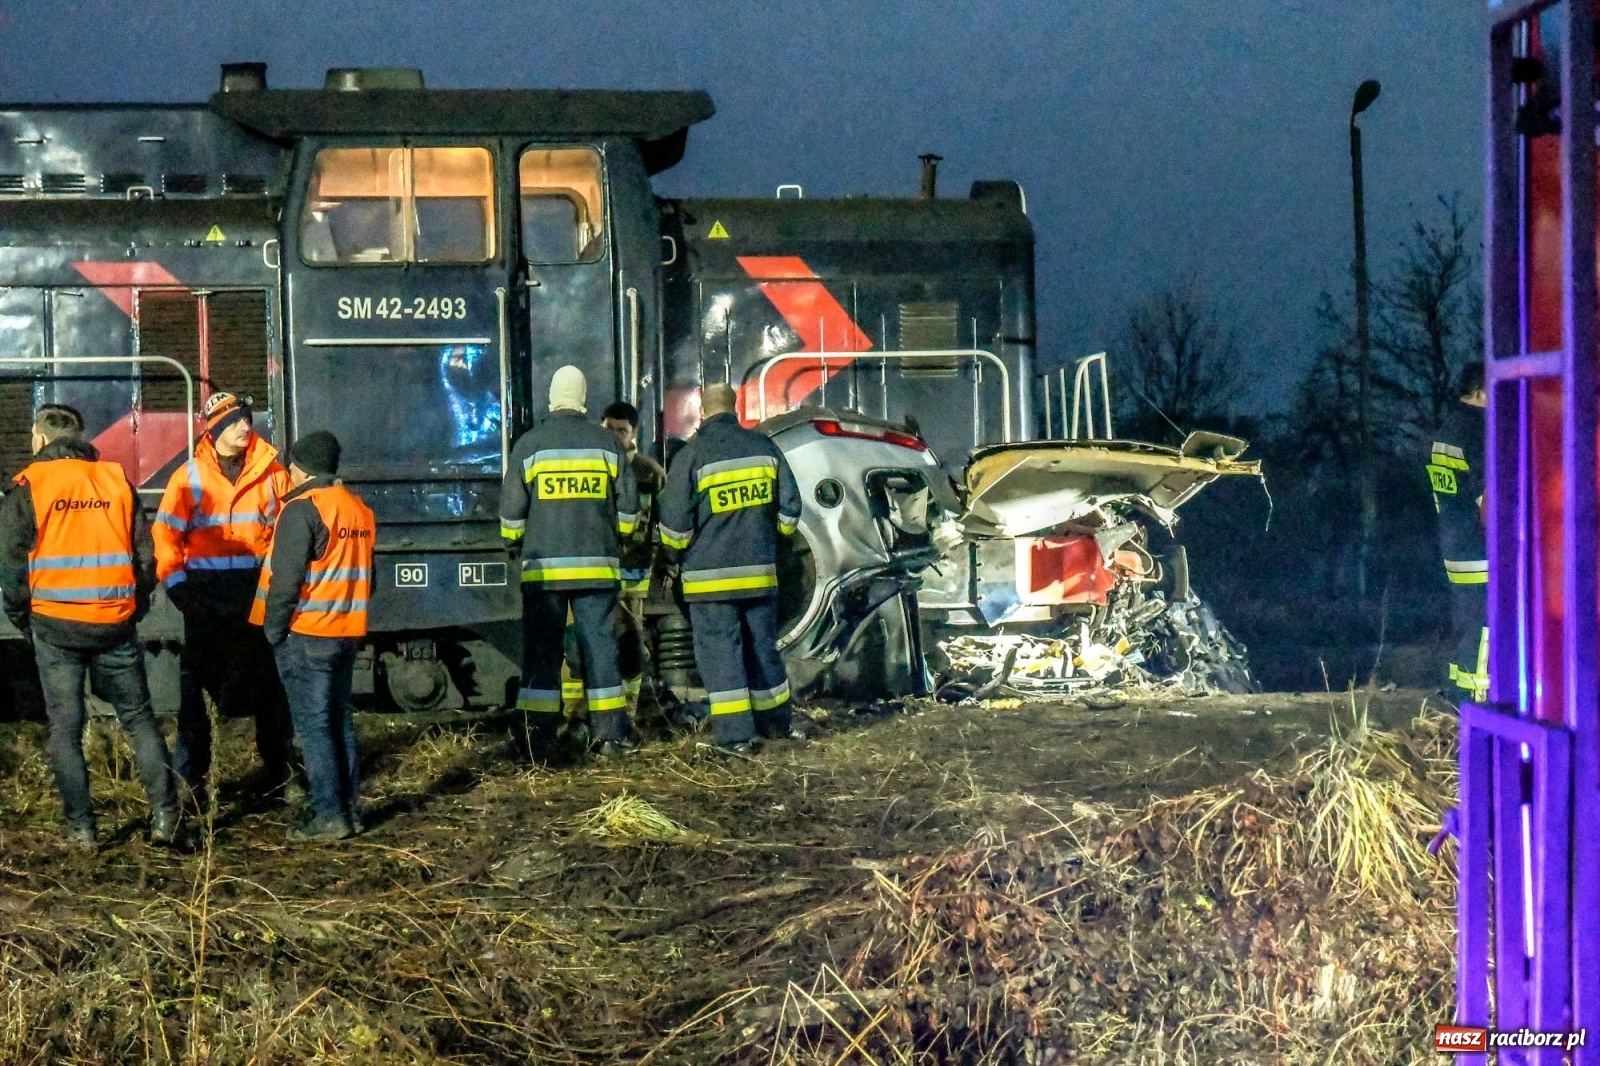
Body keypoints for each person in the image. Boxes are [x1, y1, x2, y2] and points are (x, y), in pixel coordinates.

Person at [0, 404, 182, 850]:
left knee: (65, 726)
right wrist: (132, 607)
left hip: (56, 624)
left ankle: (82, 830)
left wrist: (26, 619)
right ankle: (166, 819)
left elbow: (10, 566)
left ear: (39, 439)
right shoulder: (115, 480)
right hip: (114, 622)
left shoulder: (29, 485)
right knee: (139, 720)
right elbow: (146, 555)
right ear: (81, 439)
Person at [154, 391, 294, 802]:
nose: (245, 428)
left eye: (246, 420)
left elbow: (285, 536)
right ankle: (189, 785)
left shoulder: (273, 473)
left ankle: (282, 773)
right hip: (205, 598)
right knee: (197, 697)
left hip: (257, 593)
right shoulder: (190, 476)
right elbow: (165, 535)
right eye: (234, 423)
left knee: (272, 690)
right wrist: (178, 587)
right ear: (214, 431)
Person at [499, 366, 639, 757]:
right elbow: (629, 508)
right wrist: (620, 537)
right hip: (598, 570)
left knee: (543, 653)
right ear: (583, 398)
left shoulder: (530, 446)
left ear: (551, 397)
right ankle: (610, 736)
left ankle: (538, 737)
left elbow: (511, 515)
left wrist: (514, 543)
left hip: (544, 575)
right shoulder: (607, 444)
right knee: (600, 651)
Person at [657, 383, 802, 752]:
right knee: (763, 651)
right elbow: (790, 510)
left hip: (709, 583)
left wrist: (673, 558)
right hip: (760, 576)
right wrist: (772, 541)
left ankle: (738, 737)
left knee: (723, 658)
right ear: (735, 410)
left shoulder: (691, 456)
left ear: (702, 414)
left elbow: (674, 526)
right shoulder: (764, 447)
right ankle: (778, 725)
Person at [250, 431, 374, 842]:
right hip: (346, 632)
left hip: (307, 634)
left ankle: (327, 815)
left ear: (300, 468)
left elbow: (286, 581)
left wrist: (273, 630)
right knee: (339, 723)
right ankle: (350, 811)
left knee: (314, 727)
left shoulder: (302, 509)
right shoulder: (358, 510)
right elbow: (367, 581)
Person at [601, 401, 667, 716]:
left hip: (634, 571)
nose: (616, 438)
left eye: (622, 431)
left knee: (630, 643)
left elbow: (665, 522)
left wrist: (664, 562)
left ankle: (629, 711)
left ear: (635, 432)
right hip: (598, 570)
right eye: (610, 430)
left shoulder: (649, 473)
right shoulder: (594, 467)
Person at [1428, 361, 1488, 701]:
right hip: (1481, 549)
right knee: (1486, 628)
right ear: (1480, 393)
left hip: (1453, 543)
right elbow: (1489, 500)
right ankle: (1480, 704)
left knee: (1466, 626)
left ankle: (1457, 694)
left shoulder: (1446, 430)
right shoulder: (1478, 431)